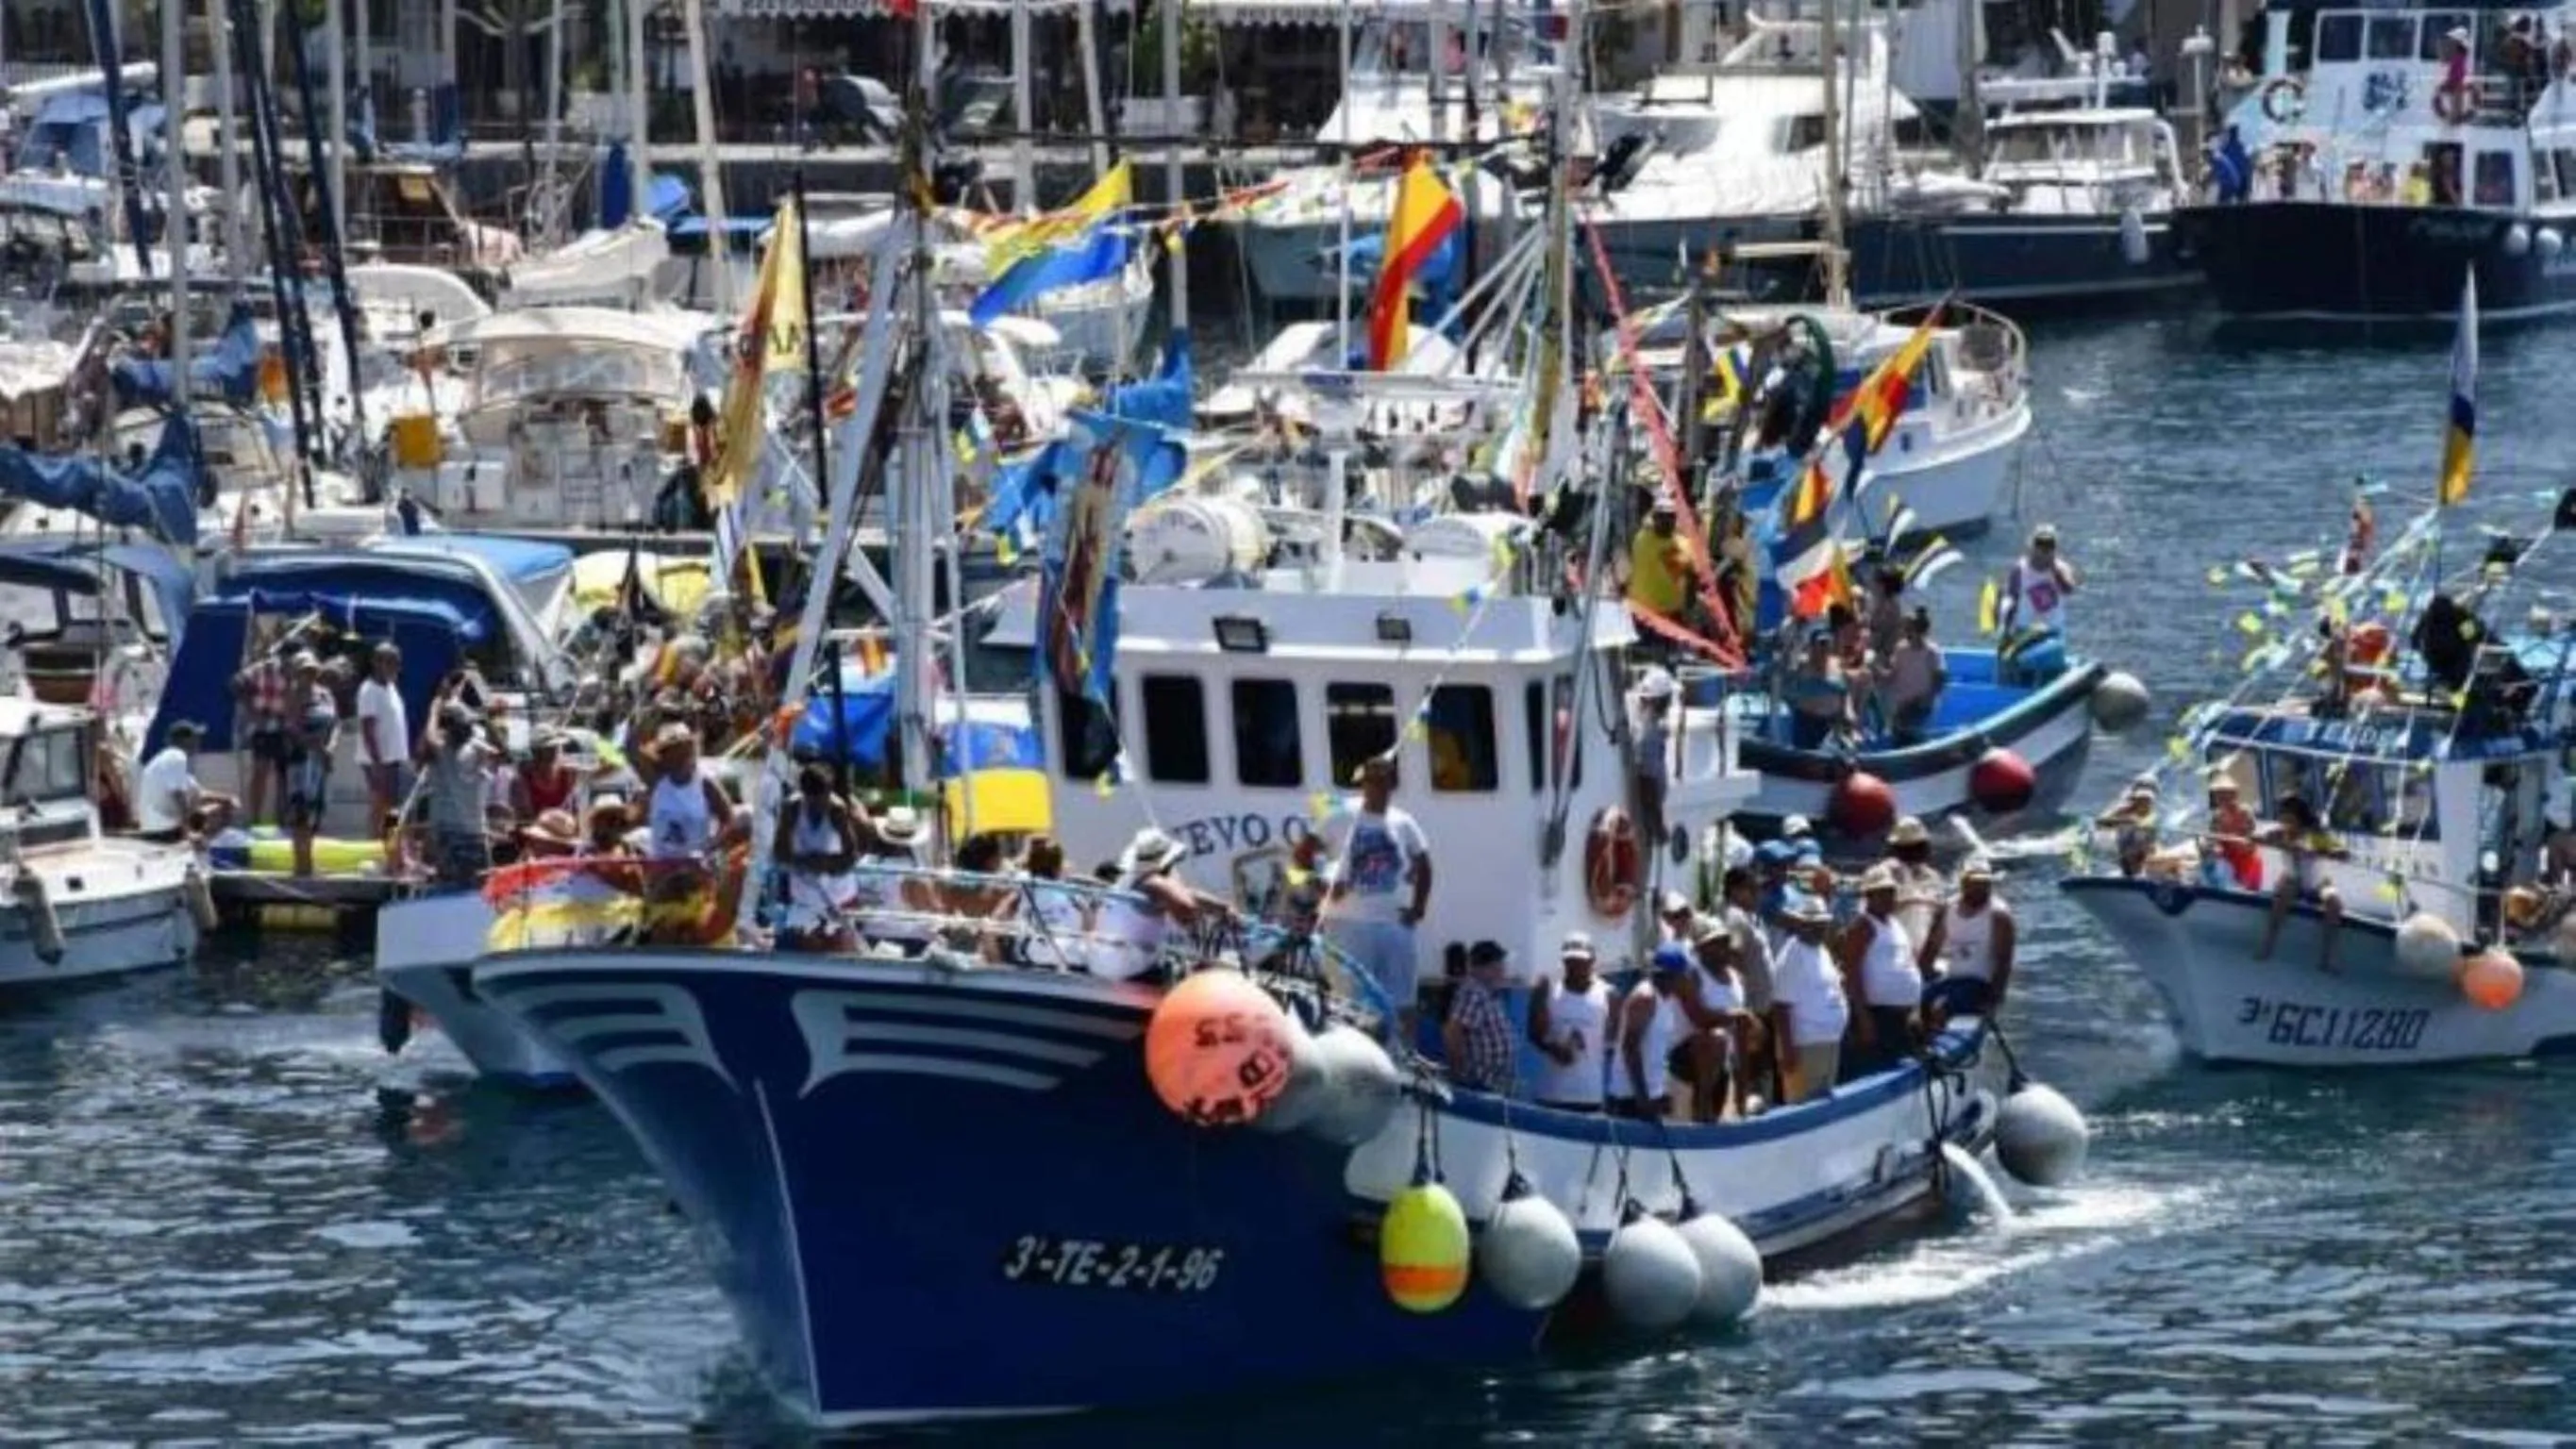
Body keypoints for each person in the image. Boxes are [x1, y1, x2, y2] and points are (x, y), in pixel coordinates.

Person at [1322, 755, 1434, 1039]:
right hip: (1348, 923)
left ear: (1392, 784)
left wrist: (1418, 909)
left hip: (1393, 924)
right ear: (1362, 784)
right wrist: (1319, 886)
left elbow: (1424, 863)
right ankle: (1352, 1059)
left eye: (1383, 781)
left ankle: (1406, 1062)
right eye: (1370, 781)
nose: (1376, 787)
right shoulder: (1341, 815)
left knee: (1402, 1000)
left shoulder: (1403, 821)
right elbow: (1301, 855)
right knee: (1349, 1001)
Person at [1839, 863, 1921, 1078]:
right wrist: (1863, 1017)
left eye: (1891, 892)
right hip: (1877, 1016)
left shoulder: (1895, 923)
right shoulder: (1862, 926)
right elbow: (1851, 973)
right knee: (1873, 1070)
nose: (1889, 897)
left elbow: (1908, 964)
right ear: (1869, 896)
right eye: (1882, 893)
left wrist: (1914, 1007)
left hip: (1901, 1017)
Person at [1768, 891, 1849, 1103]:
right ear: (1802, 924)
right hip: (1805, 1045)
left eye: (1822, 922)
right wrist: (1788, 1050)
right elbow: (1780, 1006)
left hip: (1829, 1041)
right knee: (1803, 1104)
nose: (1819, 927)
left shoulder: (1821, 950)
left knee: (1824, 1103)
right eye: (1812, 923)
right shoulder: (1792, 953)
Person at [1918, 855, 2016, 1023]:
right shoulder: (1947, 908)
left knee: (1941, 1007)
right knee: (1920, 1001)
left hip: (1980, 984)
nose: (1980, 888)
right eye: (1975, 883)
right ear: (1963, 883)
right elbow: (1931, 950)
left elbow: (2004, 962)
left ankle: (1934, 1038)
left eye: (1984, 884)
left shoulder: (1999, 916)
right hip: (1953, 979)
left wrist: (1994, 1000)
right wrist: (1917, 981)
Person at [2256, 791, 2346, 970]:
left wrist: (2320, 851)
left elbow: (2343, 853)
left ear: (2299, 817)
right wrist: (2276, 844)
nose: (2285, 822)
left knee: (2334, 903)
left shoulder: (2316, 835)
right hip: (2291, 880)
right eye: (2283, 817)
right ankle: (2268, 945)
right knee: (2284, 893)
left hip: (2319, 883)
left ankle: (2327, 957)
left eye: (2289, 818)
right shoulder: (2279, 833)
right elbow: (2254, 837)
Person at [1527, 932, 1613, 1113]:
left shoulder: (1608, 994)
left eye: (1581, 961)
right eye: (1570, 961)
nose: (1575, 966)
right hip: (1550, 1095)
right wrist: (1553, 1048)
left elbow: (1616, 1041)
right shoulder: (1547, 988)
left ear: (1592, 961)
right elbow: (1533, 1034)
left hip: (1589, 1096)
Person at [415, 699, 495, 888]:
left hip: (454, 837)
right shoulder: (474, 750)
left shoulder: (455, 753)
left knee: (451, 888)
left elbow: (431, 739)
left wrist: (433, 710)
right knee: (477, 891)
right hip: (474, 835)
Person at [1721, 865, 1781, 1106]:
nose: (1759, 894)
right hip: (1751, 1011)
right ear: (1735, 891)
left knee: (1762, 1067)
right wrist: (1744, 1007)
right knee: (1752, 1068)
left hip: (1763, 1008)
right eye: (1752, 889)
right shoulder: (1734, 916)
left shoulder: (1751, 917)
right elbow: (1734, 957)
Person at [1683, 914, 1753, 1120]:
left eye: (1724, 941)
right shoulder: (1693, 976)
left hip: (1728, 1063)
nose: (1722, 948)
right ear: (1701, 948)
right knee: (1716, 1038)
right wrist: (1732, 1016)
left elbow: (1743, 1030)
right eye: (1714, 943)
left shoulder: (1737, 978)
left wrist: (1742, 1090)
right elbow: (1698, 1018)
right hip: (1696, 1064)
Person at [1615, 945, 1693, 1119]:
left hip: (1651, 1095)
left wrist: (1660, 1093)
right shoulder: (1645, 997)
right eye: (1683, 976)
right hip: (1629, 1098)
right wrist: (1643, 1099)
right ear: (1673, 975)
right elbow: (1630, 1048)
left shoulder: (1667, 1000)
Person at [355, 642, 411, 869]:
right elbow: (367, 729)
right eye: (389, 661)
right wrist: (377, 764)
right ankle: (382, 855)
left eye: (396, 662)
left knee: (391, 810)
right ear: (376, 662)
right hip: (379, 760)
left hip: (394, 758)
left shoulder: (390, 687)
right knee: (385, 810)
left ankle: (391, 853)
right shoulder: (369, 690)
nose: (394, 666)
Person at [284, 651, 338, 877]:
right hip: (302, 757)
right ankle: (301, 863)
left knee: (316, 809)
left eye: (311, 670)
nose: (308, 675)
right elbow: (292, 727)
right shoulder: (295, 696)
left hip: (321, 758)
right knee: (301, 811)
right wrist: (314, 746)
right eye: (303, 671)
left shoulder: (326, 694)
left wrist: (330, 748)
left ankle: (310, 860)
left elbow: (336, 723)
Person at [135, 722, 233, 844]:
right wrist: (188, 833)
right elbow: (178, 795)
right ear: (185, 740)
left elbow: (198, 793)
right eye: (195, 737)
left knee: (218, 806)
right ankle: (210, 847)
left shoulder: (167, 761)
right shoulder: (177, 756)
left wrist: (227, 799)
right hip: (163, 831)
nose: (198, 741)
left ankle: (209, 845)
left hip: (153, 829)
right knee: (214, 813)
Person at [232, 632, 292, 826]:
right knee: (261, 773)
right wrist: (252, 711)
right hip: (264, 727)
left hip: (286, 728)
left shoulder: (299, 671)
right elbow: (236, 683)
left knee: (284, 776)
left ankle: (280, 820)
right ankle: (255, 820)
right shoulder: (264, 669)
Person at [1443, 941, 1517, 1093]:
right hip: (1480, 1084)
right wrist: (1458, 1074)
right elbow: (1453, 1032)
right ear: (1484, 968)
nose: (1502, 971)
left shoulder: (1489, 993)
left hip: (1496, 1083)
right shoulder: (1473, 993)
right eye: (1498, 966)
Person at [1999, 524, 2077, 645]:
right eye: (2040, 545)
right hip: (2025, 630)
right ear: (2032, 546)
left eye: (2049, 546)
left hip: (2052, 631)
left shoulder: (2062, 568)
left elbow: (2068, 589)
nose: (2044, 550)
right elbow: (2012, 601)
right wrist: (2006, 631)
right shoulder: (2020, 569)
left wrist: (2053, 568)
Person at [1881, 608, 1946, 744]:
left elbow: (1939, 681)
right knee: (1898, 734)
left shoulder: (1932, 652)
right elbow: (1892, 675)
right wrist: (1876, 669)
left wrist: (1926, 699)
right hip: (1901, 705)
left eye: (1912, 629)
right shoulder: (1900, 649)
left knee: (1909, 732)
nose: (1908, 633)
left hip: (1920, 706)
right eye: (1907, 630)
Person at [1627, 491, 1692, 620]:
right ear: (1654, 516)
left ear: (1675, 518)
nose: (1665, 520)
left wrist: (1689, 607)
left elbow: (1692, 576)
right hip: (1640, 610)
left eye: (1669, 516)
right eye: (1661, 516)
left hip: (1671, 614)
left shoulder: (1684, 544)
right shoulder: (1640, 537)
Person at [1786, 629, 1854, 750]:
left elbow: (1844, 691)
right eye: (1821, 644)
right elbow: (1790, 665)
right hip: (1807, 722)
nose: (1824, 649)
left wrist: (1848, 711)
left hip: (1830, 722)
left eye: (1827, 644)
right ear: (1812, 647)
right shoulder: (1803, 665)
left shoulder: (1837, 665)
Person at [1632, 668, 1678, 847]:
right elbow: (1648, 780)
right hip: (1646, 820)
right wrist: (1657, 825)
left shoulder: (1648, 727)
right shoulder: (1651, 733)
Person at [2200, 767, 2264, 891]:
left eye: (2225, 793)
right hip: (2225, 860)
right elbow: (2211, 838)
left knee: (2225, 869)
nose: (2221, 797)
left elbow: (2251, 840)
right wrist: (2208, 846)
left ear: (2234, 794)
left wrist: (2235, 842)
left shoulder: (2244, 812)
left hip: (2245, 861)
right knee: (2209, 863)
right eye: (2218, 793)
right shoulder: (2217, 816)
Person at [1884, 817, 1944, 949]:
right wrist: (1913, 900)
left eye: (1918, 847)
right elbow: (1873, 912)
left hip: (1922, 949)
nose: (1914, 852)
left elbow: (1938, 915)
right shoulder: (1883, 874)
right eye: (1908, 848)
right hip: (1892, 949)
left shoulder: (1933, 877)